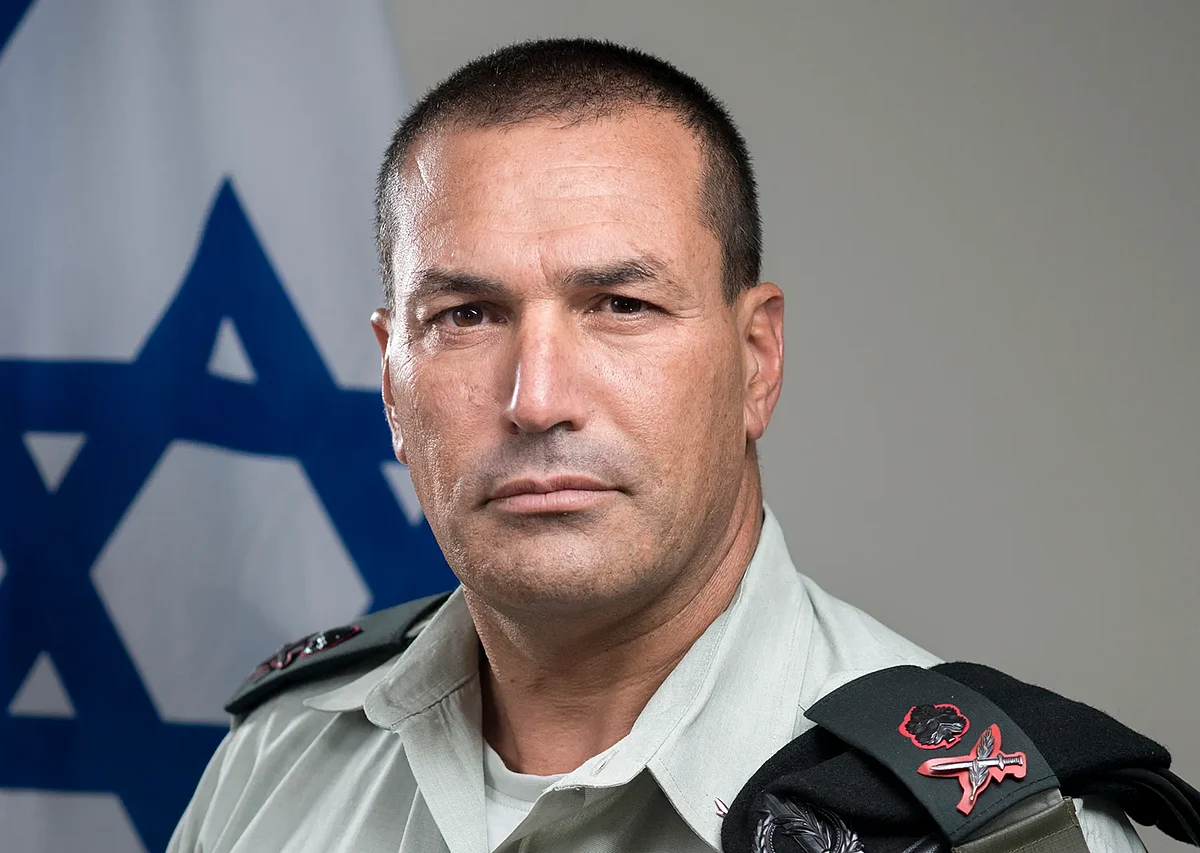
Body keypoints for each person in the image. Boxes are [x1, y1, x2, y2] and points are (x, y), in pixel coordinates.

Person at [167, 39, 1150, 853]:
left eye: (620, 305)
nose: (537, 400)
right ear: (391, 382)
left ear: (756, 360)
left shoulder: (985, 832)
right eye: (466, 315)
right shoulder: (274, 767)